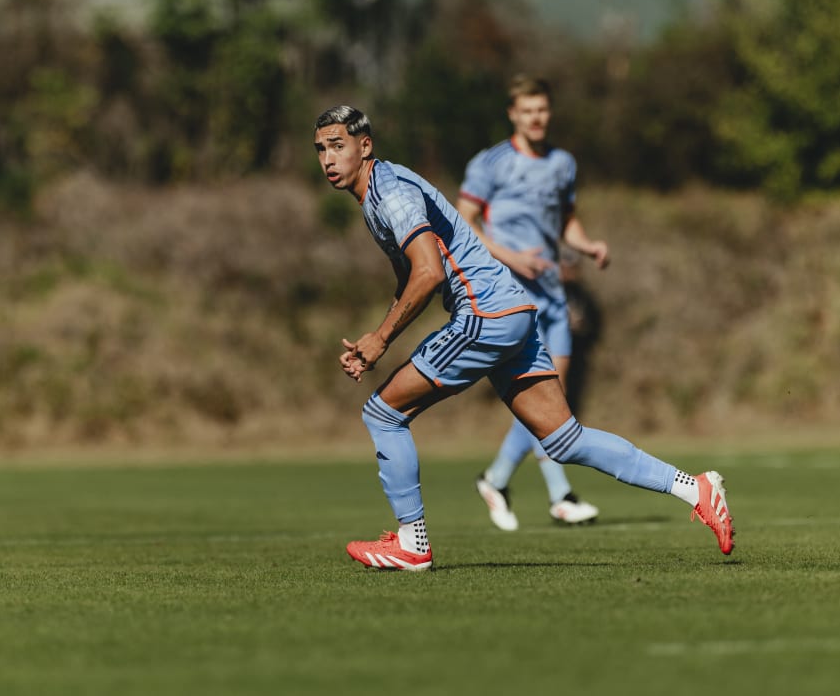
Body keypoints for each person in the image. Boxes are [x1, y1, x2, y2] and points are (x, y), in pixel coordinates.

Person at [312, 103, 734, 571]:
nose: (329, 159)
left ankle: (413, 544)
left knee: (384, 413)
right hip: (512, 312)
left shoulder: (389, 191)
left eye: (338, 146)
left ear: (364, 147)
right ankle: (695, 488)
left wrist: (381, 339)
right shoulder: (376, 195)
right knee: (565, 440)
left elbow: (429, 274)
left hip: (485, 315)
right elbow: (411, 278)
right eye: (321, 150)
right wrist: (379, 336)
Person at [457, 75, 606, 530]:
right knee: (547, 399)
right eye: (527, 111)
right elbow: (464, 222)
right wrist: (511, 257)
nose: (536, 118)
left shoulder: (562, 163)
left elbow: (567, 222)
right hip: (511, 294)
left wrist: (589, 245)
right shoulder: (491, 164)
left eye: (542, 109)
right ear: (513, 114)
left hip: (553, 297)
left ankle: (499, 478)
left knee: (551, 400)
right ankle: (558, 494)